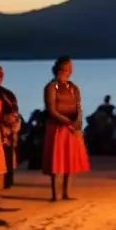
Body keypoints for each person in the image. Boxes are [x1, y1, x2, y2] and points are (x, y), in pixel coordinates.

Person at [42, 56, 91, 201]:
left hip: (72, 127)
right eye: (68, 66)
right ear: (60, 68)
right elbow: (51, 109)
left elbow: (78, 106)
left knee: (70, 159)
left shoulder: (73, 87)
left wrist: (78, 122)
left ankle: (66, 193)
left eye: (71, 67)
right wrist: (67, 123)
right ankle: (55, 194)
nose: (70, 69)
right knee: (57, 160)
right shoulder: (51, 87)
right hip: (57, 126)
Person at [0, 64, 21, 189]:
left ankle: (5, 183)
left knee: (5, 163)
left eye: (0, 75)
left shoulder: (7, 94)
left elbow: (14, 113)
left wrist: (12, 125)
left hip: (6, 132)